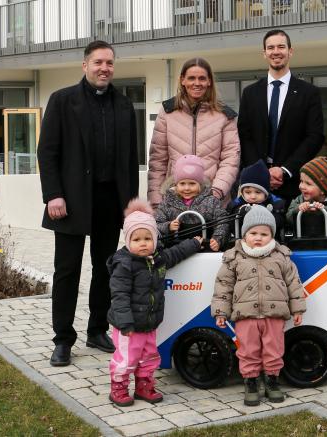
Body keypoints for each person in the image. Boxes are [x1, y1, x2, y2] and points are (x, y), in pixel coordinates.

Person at [38, 40, 139, 366]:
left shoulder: (124, 105)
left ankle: (97, 330)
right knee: (66, 270)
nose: (104, 68)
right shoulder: (63, 100)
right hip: (70, 199)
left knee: (106, 269)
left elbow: (130, 161)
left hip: (111, 200)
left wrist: (132, 206)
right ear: (85, 65)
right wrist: (53, 194)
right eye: (98, 62)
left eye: (109, 63)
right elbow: (48, 152)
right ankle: (63, 339)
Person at [106, 200, 201, 407]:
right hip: (128, 327)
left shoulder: (157, 259)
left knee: (149, 356)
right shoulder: (124, 265)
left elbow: (176, 253)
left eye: (148, 238)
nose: (143, 243)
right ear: (128, 240)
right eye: (137, 239)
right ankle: (119, 387)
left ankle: (144, 385)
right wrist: (125, 323)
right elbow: (119, 296)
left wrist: (194, 243)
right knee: (127, 358)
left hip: (149, 323)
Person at [211, 205, 306, 406]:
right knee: (248, 350)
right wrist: (221, 312)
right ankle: (251, 381)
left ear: (272, 235)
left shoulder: (281, 256)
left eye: (264, 233)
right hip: (246, 315)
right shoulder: (234, 257)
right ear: (245, 234)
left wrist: (297, 308)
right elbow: (223, 286)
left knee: (274, 348)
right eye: (253, 233)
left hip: (274, 315)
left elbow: (294, 283)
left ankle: (272, 380)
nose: (258, 237)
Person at [237, 29, 324, 202]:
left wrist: (284, 170)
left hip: (295, 184)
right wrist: (261, 171)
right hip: (256, 188)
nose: (276, 51)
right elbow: (244, 136)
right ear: (264, 53)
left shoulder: (309, 93)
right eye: (270, 47)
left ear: (290, 51)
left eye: (281, 47)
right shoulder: (250, 93)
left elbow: (315, 136)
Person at [148, 58, 240, 205]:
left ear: (209, 81)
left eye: (202, 78)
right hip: (174, 203)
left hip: (213, 202)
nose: (197, 83)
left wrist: (216, 193)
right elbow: (158, 161)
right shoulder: (167, 112)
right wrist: (156, 201)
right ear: (182, 80)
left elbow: (230, 160)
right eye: (191, 78)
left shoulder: (224, 115)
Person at [154, 155, 225, 251]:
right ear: (176, 185)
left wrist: (217, 238)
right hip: (176, 252)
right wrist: (168, 226)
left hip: (205, 250)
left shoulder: (211, 201)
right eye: (182, 184)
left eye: (192, 183)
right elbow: (156, 224)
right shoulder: (167, 203)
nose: (187, 188)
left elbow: (222, 221)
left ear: (200, 184)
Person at [285, 156, 327, 242]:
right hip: (303, 242)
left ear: (323, 189)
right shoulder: (299, 200)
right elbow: (289, 218)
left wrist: (324, 210)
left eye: (308, 184)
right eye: (301, 181)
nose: (301, 186)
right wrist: (298, 210)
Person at [227, 159, 286, 241]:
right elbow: (231, 225)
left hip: (270, 243)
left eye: (258, 192)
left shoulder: (276, 203)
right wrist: (240, 213)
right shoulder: (236, 204)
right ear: (242, 192)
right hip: (244, 244)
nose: (253, 196)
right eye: (248, 192)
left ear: (266, 192)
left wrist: (265, 214)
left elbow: (280, 223)